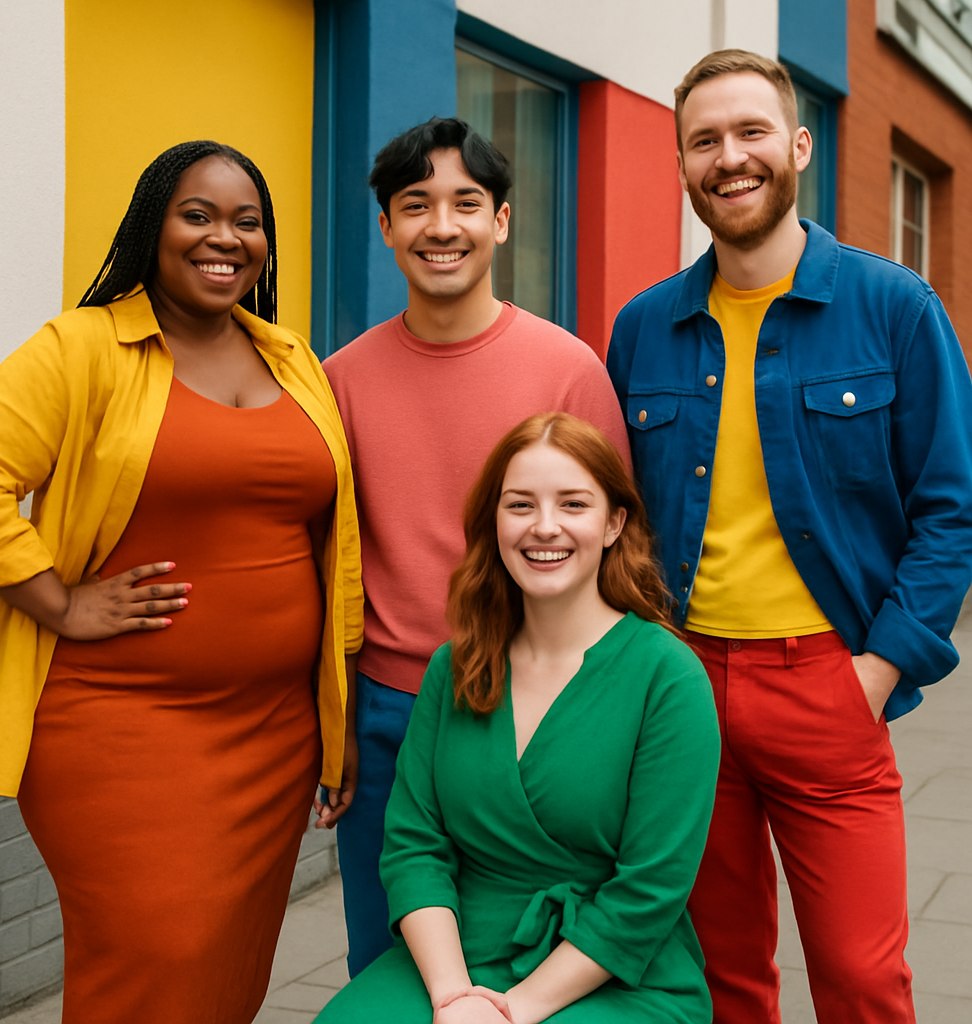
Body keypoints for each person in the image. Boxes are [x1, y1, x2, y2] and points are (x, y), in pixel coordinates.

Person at [0, 141, 363, 1024]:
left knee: (224, 971)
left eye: (247, 222)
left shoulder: (291, 358)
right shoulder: (84, 347)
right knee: (154, 961)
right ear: (153, 228)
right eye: (197, 215)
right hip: (117, 723)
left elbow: (335, 543)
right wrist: (56, 600)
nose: (225, 238)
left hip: (274, 732)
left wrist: (338, 716)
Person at [606, 49, 972, 1024]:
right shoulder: (643, 328)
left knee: (861, 979)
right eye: (704, 141)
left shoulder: (894, 309)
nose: (729, 158)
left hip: (829, 682)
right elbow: (619, 518)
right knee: (719, 976)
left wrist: (880, 670)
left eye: (751, 132)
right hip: (682, 687)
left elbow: (952, 508)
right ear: (682, 164)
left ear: (799, 146)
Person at [321, 117, 631, 976]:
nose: (442, 226)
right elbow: (330, 559)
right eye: (416, 205)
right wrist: (338, 717)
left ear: (501, 220)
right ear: (386, 226)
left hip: (538, 704)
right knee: (388, 959)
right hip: (389, 709)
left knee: (534, 950)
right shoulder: (340, 380)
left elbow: (613, 550)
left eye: (465, 202)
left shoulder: (568, 369)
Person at [315, 412, 720, 1024]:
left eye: (573, 504)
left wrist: (513, 1012)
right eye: (521, 505)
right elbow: (415, 847)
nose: (545, 526)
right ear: (495, 522)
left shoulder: (669, 679)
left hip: (612, 966)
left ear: (614, 523)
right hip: (458, 952)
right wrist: (453, 995)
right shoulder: (455, 666)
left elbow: (651, 889)